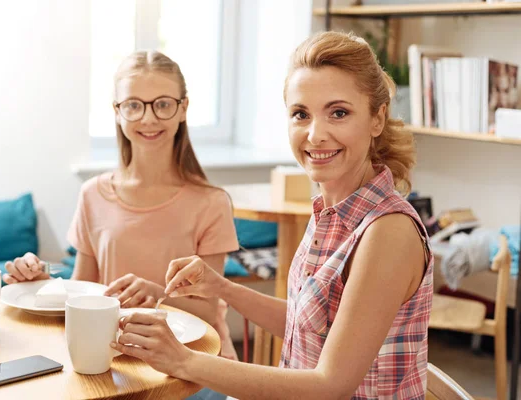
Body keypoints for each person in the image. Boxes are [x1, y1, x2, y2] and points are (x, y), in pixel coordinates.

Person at [110, 31, 434, 400]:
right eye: (301, 114)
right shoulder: (330, 211)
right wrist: (222, 288)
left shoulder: (388, 231)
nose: (315, 135)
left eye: (339, 113)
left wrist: (182, 360)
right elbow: (307, 326)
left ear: (377, 119)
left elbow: (331, 384)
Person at [2, 50, 240, 362]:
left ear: (183, 108)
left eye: (163, 104)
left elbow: (208, 310)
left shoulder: (212, 202)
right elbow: (82, 290)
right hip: (115, 355)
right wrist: (39, 286)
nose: (148, 118)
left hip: (195, 362)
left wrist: (156, 293)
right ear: (117, 111)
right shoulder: (92, 194)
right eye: (133, 105)